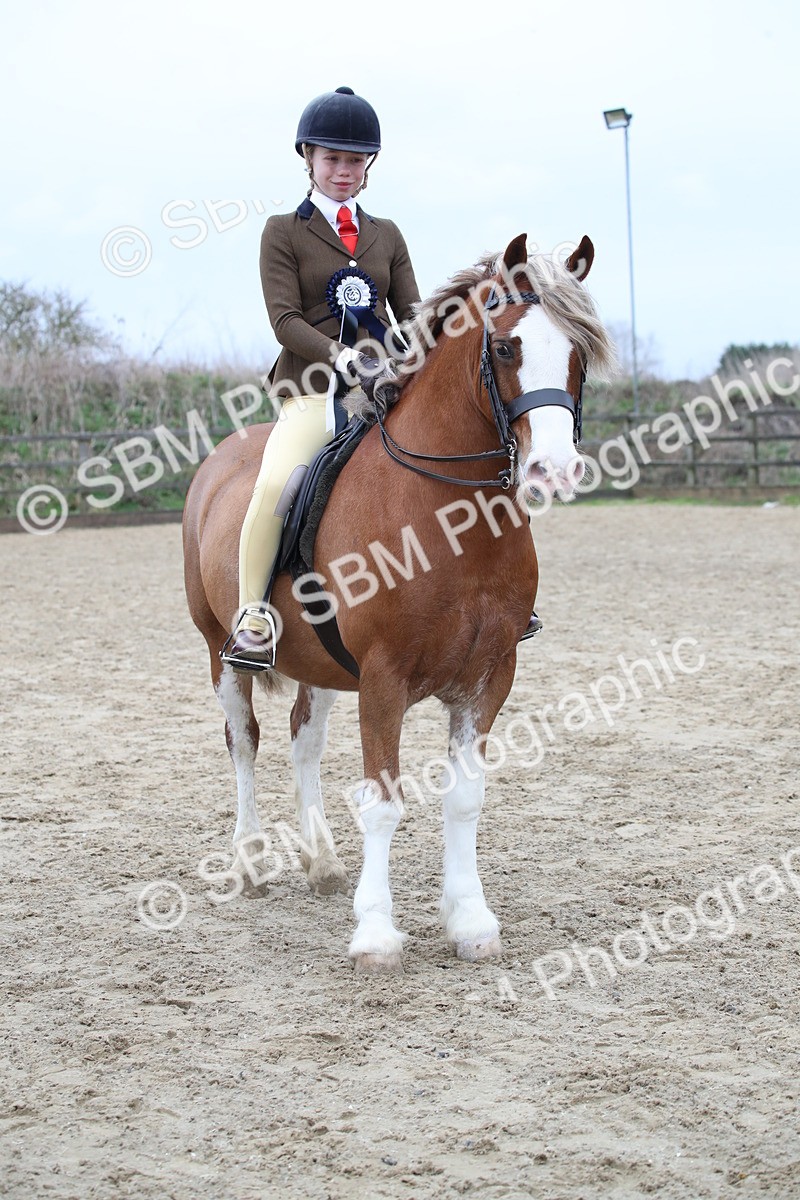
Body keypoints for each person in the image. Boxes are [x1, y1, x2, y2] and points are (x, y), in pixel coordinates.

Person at [223, 85, 421, 670]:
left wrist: (425, 354)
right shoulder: (283, 231)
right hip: (313, 390)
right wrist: (341, 357)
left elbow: (413, 316)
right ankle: (253, 615)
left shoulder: (388, 234)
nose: (343, 170)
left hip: (382, 389)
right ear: (308, 158)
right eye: (332, 158)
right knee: (276, 484)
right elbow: (284, 320)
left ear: (368, 166)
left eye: (355, 160)